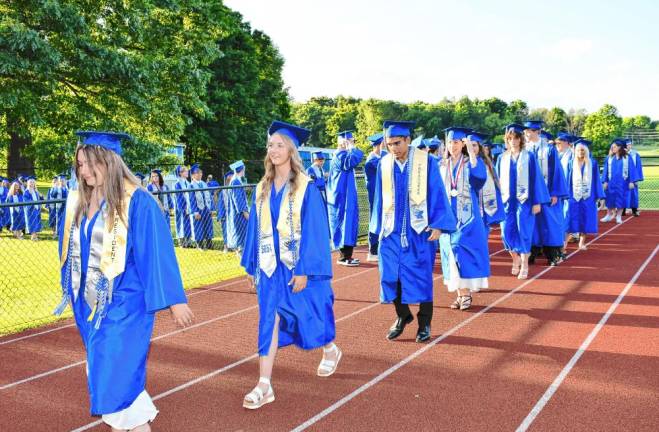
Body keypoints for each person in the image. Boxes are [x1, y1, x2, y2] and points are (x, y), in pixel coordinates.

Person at [53, 131, 194, 432]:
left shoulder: (136, 201)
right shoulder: (78, 199)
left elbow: (155, 251)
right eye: (80, 164)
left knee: (113, 381)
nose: (85, 172)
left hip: (125, 306)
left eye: (92, 164)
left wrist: (174, 300)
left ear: (110, 161)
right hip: (89, 305)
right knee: (113, 380)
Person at [240, 120, 340, 410]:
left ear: (292, 150)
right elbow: (255, 229)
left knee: (310, 314)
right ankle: (264, 384)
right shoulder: (262, 187)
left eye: (279, 145)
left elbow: (315, 230)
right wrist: (251, 266)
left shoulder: (306, 188)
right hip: (271, 267)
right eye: (270, 145)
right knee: (269, 320)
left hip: (298, 265)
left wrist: (305, 269)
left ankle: (330, 349)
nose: (273, 150)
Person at [370, 120, 456, 342]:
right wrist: (377, 228)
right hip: (390, 231)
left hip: (418, 231)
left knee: (421, 277)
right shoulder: (384, 164)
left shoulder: (425, 162)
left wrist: (438, 224)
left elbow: (437, 192)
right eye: (389, 144)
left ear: (408, 140)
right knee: (390, 275)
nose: (393, 148)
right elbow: (379, 198)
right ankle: (403, 315)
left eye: (397, 143)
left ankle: (424, 322)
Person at [439, 129, 490, 311]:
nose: (453, 146)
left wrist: (473, 154)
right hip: (447, 217)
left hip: (468, 218)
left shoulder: (471, 163)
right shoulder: (441, 165)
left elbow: (479, 181)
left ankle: (466, 293)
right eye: (450, 142)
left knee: (462, 251)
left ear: (462, 144)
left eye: (457, 142)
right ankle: (460, 295)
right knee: (450, 254)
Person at [496, 124, 550, 279]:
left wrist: (537, 201)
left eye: (516, 138)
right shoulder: (502, 158)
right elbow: (497, 181)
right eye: (510, 138)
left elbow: (536, 180)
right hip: (507, 202)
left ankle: (524, 264)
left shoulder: (529, 157)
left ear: (520, 139)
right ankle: (515, 258)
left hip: (524, 201)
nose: (513, 141)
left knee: (524, 232)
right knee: (506, 232)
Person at [524, 120, 568, 266]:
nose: (526, 133)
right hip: (530, 194)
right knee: (532, 223)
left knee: (550, 223)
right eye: (526, 131)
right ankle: (531, 253)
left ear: (538, 132)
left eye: (529, 131)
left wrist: (555, 193)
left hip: (548, 193)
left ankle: (553, 254)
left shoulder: (549, 149)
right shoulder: (524, 149)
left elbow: (556, 171)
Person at [326, 131, 364, 266]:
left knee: (349, 224)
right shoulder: (340, 156)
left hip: (344, 195)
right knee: (344, 225)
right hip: (341, 197)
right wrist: (352, 148)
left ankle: (347, 255)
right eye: (349, 140)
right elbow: (353, 160)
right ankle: (343, 257)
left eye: (352, 140)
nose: (351, 143)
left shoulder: (343, 155)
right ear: (341, 142)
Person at [565, 139, 605, 250]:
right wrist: (565, 194)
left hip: (588, 196)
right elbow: (567, 180)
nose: (580, 152)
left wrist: (600, 196)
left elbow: (597, 179)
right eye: (578, 150)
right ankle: (564, 244)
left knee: (585, 219)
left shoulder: (592, 163)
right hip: (573, 195)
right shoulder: (570, 163)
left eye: (583, 150)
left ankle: (581, 243)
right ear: (575, 151)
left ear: (586, 151)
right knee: (570, 219)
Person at [601, 139, 640, 224]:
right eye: (612, 147)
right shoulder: (609, 158)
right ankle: (608, 215)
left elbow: (632, 169)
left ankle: (618, 216)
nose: (612, 148)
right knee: (609, 199)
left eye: (614, 147)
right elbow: (605, 170)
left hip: (623, 183)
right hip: (611, 182)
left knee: (621, 199)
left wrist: (632, 181)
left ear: (619, 147)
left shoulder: (627, 157)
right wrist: (605, 181)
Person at [474, 139, 505, 232]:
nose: (472, 148)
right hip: (470, 197)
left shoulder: (486, 162)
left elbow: (495, 178)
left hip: (485, 196)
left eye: (474, 145)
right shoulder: (464, 161)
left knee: (483, 226)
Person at [364, 132, 385, 262]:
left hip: (381, 194)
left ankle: (378, 247)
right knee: (375, 219)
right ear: (379, 145)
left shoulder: (379, 157)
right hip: (375, 196)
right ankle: (373, 250)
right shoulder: (372, 160)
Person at [227, 160, 249, 252]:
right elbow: (237, 199)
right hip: (239, 213)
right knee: (240, 232)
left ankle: (241, 250)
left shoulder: (236, 181)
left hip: (238, 212)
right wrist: (244, 212)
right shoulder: (235, 182)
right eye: (244, 169)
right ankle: (240, 251)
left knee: (242, 232)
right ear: (241, 169)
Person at [190, 164, 214, 249]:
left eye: (200, 172)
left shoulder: (204, 184)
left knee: (208, 226)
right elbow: (191, 200)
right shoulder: (191, 186)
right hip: (198, 209)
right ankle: (199, 245)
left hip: (206, 209)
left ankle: (209, 244)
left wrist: (211, 209)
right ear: (192, 175)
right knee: (198, 227)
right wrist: (195, 212)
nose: (199, 174)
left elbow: (210, 197)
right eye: (197, 173)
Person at [173, 165, 194, 247]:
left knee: (188, 225)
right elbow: (179, 197)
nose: (187, 172)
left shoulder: (188, 183)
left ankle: (188, 242)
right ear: (180, 173)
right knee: (181, 224)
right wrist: (183, 208)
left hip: (189, 207)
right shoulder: (177, 184)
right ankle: (182, 243)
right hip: (181, 208)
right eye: (185, 171)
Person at [626, 139, 644, 217]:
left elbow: (638, 167)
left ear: (631, 145)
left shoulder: (635, 154)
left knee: (634, 194)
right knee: (623, 194)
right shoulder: (621, 154)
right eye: (626, 145)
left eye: (629, 145)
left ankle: (634, 210)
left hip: (633, 177)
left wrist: (637, 178)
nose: (628, 146)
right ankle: (622, 210)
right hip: (624, 177)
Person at [23, 176, 44, 241]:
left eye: (33, 182)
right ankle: (33, 236)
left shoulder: (35, 191)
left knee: (37, 222)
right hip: (31, 210)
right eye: (30, 182)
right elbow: (26, 200)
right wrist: (33, 204)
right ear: (28, 183)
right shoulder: (26, 191)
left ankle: (35, 236)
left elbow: (41, 199)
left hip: (37, 209)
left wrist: (41, 196)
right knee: (32, 222)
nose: (32, 184)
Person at [216, 171, 232, 252]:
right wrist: (221, 216)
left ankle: (233, 246)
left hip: (233, 215)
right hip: (225, 215)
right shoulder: (223, 191)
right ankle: (226, 246)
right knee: (226, 231)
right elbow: (220, 205)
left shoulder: (234, 189)